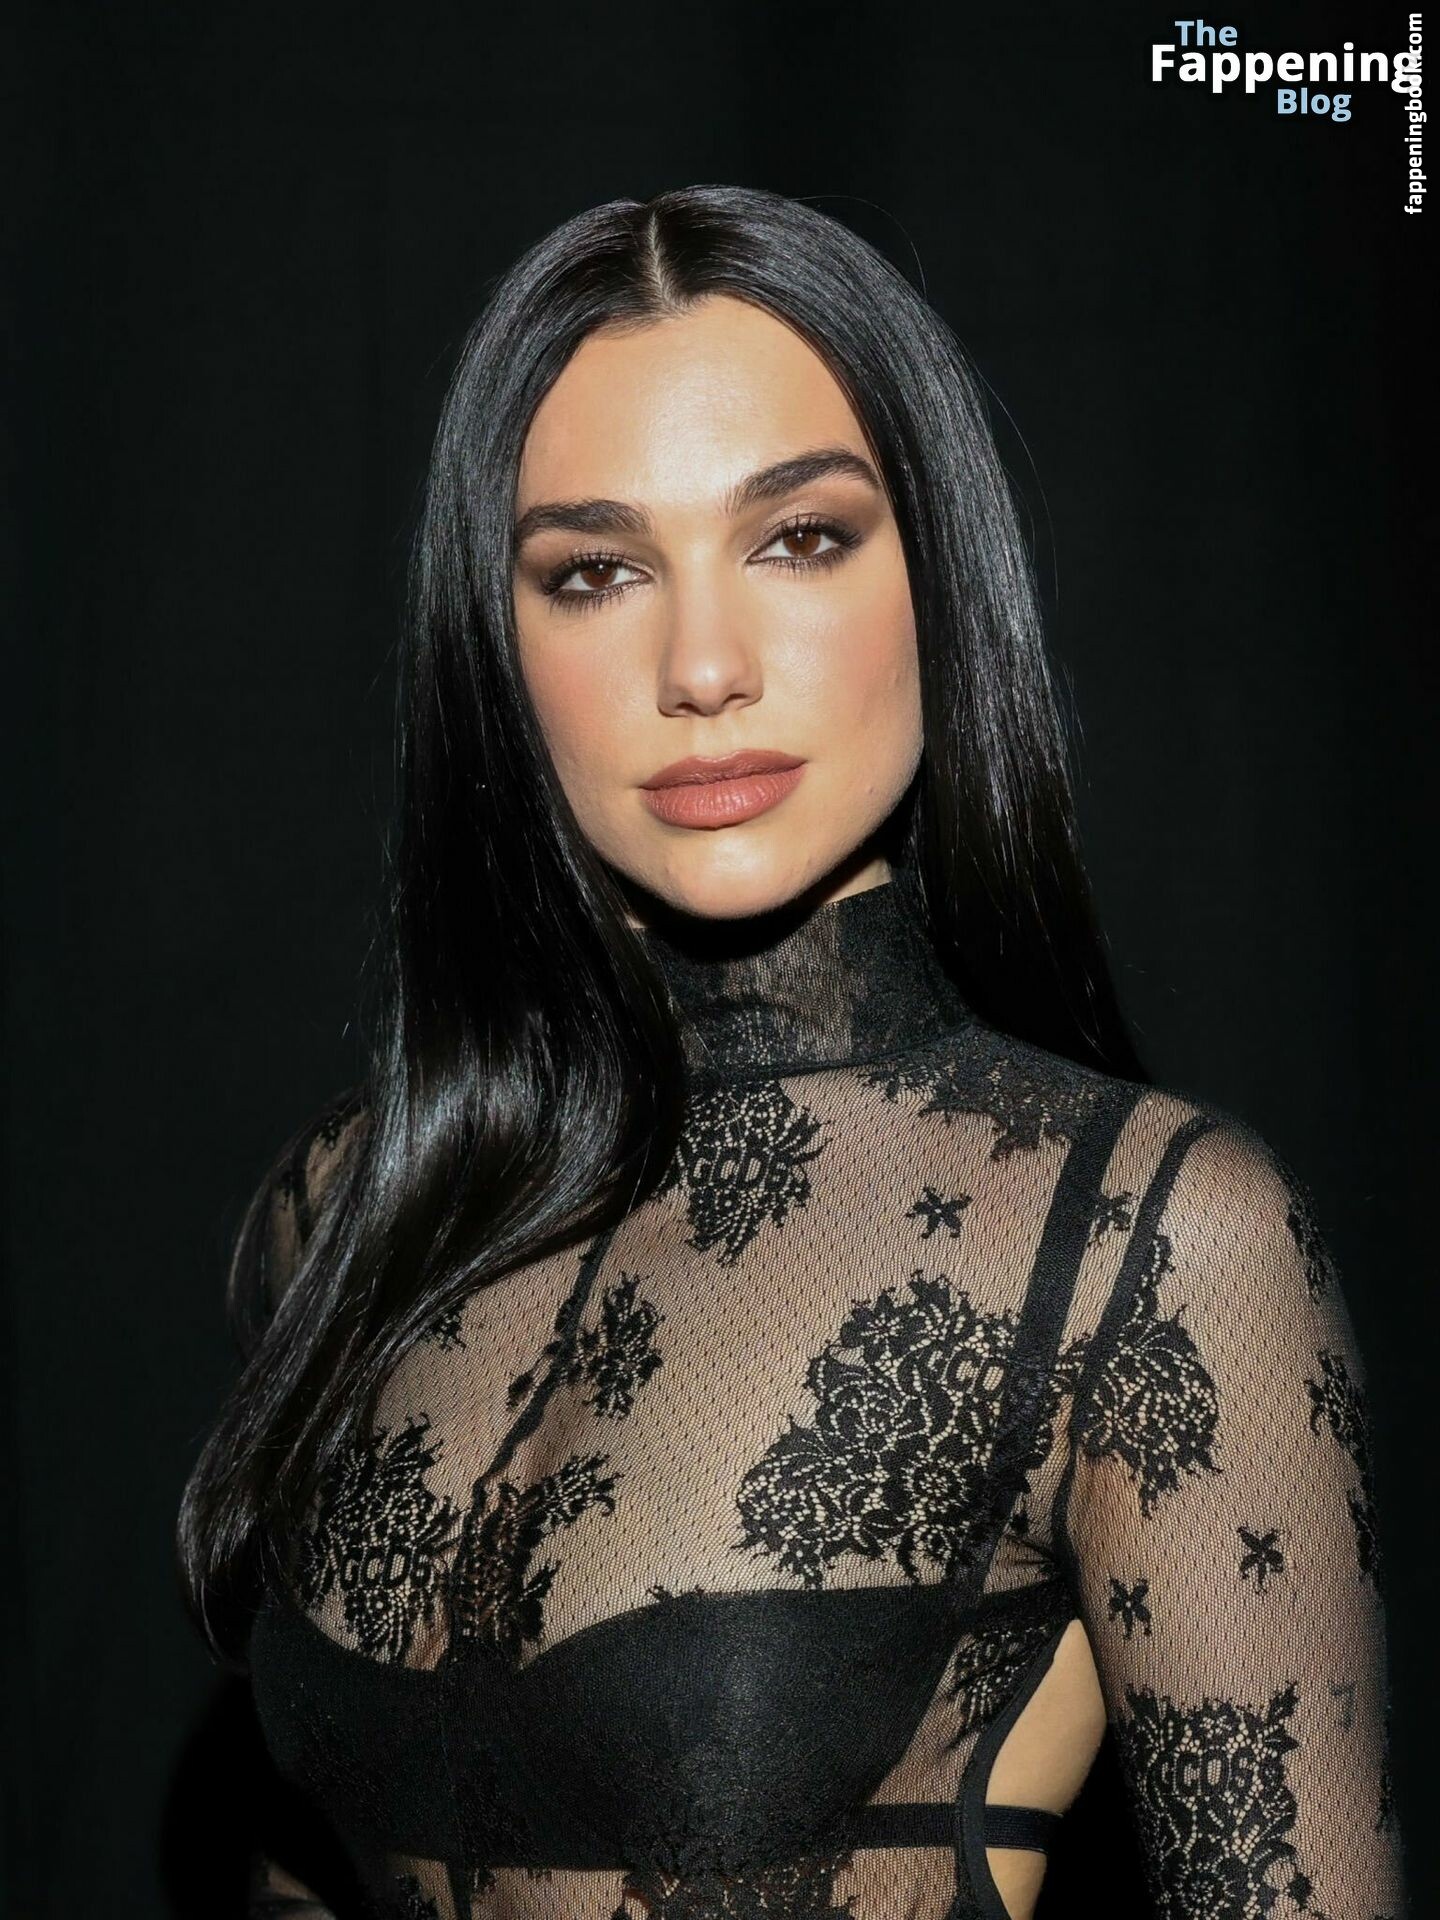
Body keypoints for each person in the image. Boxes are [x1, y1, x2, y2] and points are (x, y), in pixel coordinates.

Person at [177, 186, 1407, 1920]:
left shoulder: (1142, 1241)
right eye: (596, 573)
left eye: (801, 539)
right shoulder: (355, 1203)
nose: (702, 666)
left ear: (942, 578)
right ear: (497, 647)